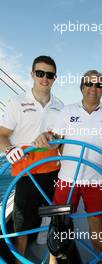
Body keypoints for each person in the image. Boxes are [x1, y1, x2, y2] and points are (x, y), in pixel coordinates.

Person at [34, 70, 102, 264]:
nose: (93, 89)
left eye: (98, 85)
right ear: (82, 87)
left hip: (97, 181)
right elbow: (56, 139)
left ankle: (100, 259)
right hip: (67, 179)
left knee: (96, 223)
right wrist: (46, 137)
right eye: (89, 84)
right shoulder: (67, 111)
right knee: (58, 226)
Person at [0, 55, 64, 263]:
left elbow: (62, 139)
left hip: (53, 171)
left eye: (49, 74)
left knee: (55, 218)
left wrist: (52, 137)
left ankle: (52, 255)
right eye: (40, 73)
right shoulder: (16, 103)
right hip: (26, 173)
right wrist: (9, 149)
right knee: (22, 224)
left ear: (55, 78)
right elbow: (2, 134)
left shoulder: (60, 106)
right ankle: (21, 260)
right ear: (32, 74)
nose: (44, 78)